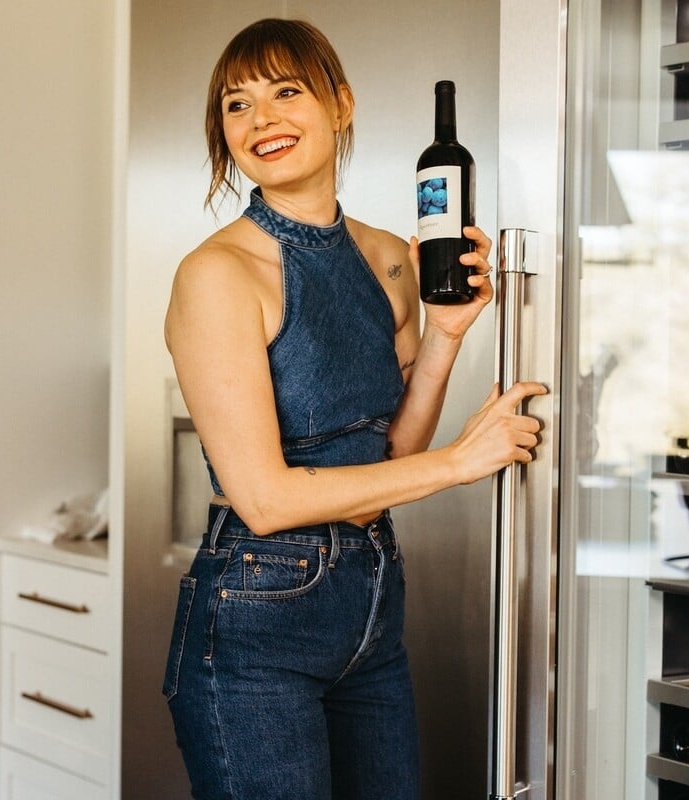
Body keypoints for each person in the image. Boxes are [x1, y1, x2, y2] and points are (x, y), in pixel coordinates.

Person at [162, 17, 546, 800]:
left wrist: (443, 336)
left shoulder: (385, 260)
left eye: (285, 91)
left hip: (371, 611)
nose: (261, 119)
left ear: (340, 104)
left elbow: (390, 459)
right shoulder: (219, 274)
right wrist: (461, 463)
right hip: (255, 618)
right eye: (237, 105)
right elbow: (265, 499)